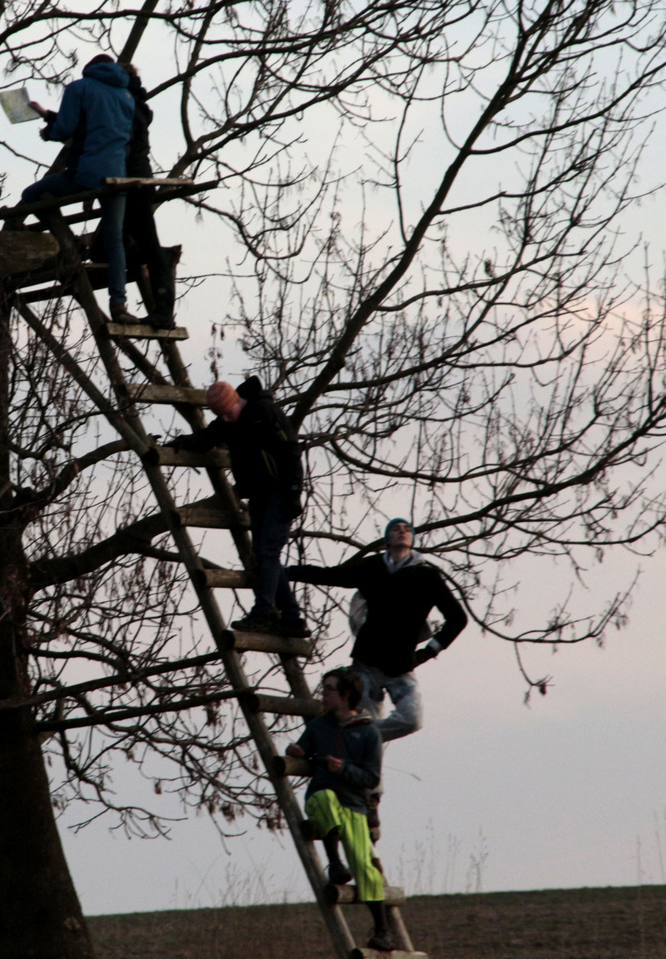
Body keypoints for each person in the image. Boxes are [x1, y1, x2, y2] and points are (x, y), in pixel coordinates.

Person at [287, 518, 466, 742]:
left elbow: (457, 618)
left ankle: (357, 735)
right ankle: (358, 747)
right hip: (367, 660)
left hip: (400, 664)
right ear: (387, 539)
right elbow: (332, 575)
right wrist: (289, 571)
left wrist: (428, 652)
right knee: (363, 720)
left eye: (407, 529)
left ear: (412, 539)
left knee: (412, 719)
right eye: (395, 529)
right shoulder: (373, 567)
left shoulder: (426, 576)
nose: (402, 532)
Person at [168, 376, 308, 637]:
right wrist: (183, 442)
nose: (227, 420)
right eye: (221, 416)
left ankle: (263, 613)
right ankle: (292, 618)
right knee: (264, 555)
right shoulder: (226, 421)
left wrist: (293, 492)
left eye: (229, 413)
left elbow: (291, 450)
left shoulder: (264, 412)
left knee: (269, 552)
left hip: (280, 492)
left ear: (236, 401)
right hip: (258, 495)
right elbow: (207, 437)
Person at [285, 668, 397, 952]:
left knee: (364, 865)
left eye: (329, 689)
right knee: (323, 799)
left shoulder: (369, 733)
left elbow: (372, 778)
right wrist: (296, 751)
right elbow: (303, 750)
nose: (324, 695)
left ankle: (382, 930)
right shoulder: (318, 726)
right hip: (322, 800)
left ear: (346, 695)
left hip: (354, 805)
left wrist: (344, 769)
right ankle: (334, 863)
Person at [21, 54, 138, 324]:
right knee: (114, 240)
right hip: (117, 175)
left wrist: (48, 131)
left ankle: (69, 241)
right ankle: (119, 305)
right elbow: (100, 127)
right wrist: (46, 113)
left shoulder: (79, 87)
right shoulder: (126, 94)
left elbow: (65, 129)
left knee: (31, 195)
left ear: (89, 69)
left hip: (86, 173)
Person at [121, 62, 177, 328]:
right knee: (102, 250)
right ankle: (156, 255)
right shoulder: (134, 102)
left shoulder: (127, 104)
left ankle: (164, 312)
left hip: (135, 182)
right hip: (131, 182)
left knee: (150, 250)